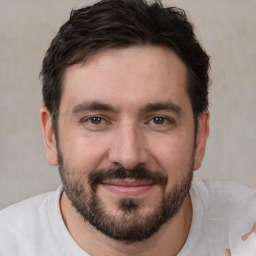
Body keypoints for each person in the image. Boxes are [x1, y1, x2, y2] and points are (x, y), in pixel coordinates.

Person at [0, 0, 255, 255]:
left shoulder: (245, 229)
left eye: (158, 120)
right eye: (96, 120)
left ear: (199, 138)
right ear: (51, 136)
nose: (129, 156)